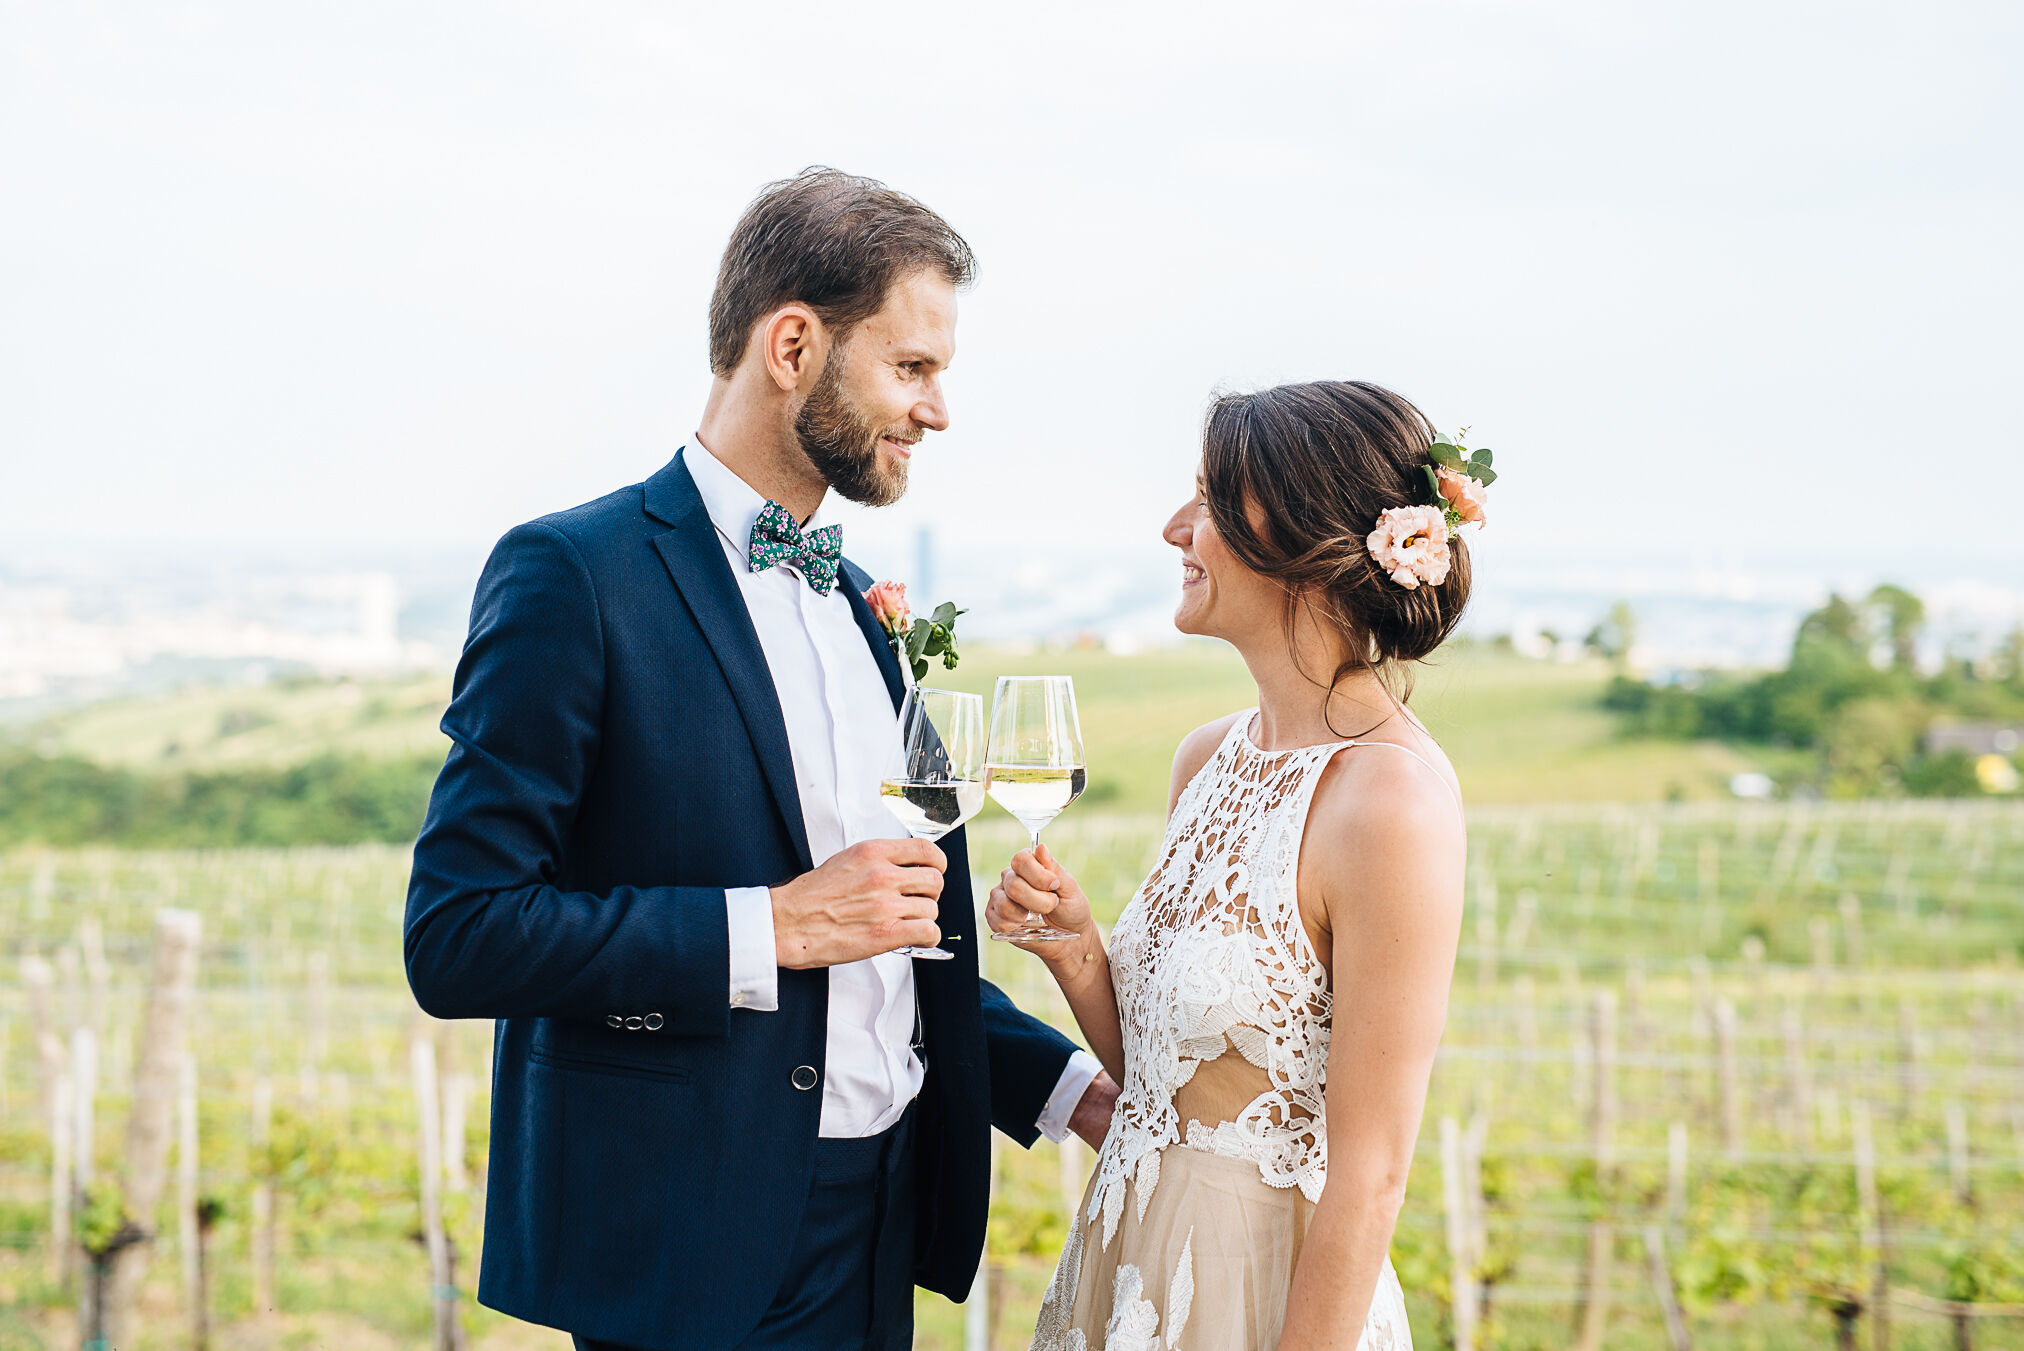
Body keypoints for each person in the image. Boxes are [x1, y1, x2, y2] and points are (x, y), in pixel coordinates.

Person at [404, 167, 1118, 1351]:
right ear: (791, 343)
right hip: (688, 1240)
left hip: (882, 1222)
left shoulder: (854, 603)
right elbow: (460, 935)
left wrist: (1061, 1087)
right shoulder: (571, 576)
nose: (935, 411)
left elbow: (893, 942)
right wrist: (769, 926)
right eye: (911, 367)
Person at [989, 381, 1478, 1350]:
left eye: (1208, 501)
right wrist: (1077, 948)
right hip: (1127, 1262)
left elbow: (1370, 1176)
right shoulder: (1205, 759)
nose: (1175, 527)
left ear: (1300, 540)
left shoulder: (1390, 804)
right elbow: (1166, 1081)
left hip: (1261, 1300)